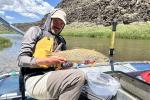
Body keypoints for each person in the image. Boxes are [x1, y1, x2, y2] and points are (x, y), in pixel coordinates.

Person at [18, 8, 85, 100]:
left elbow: (64, 65)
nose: (59, 25)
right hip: (34, 78)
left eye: (62, 23)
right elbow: (21, 60)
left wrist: (80, 61)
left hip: (52, 76)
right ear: (50, 19)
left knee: (83, 75)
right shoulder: (35, 31)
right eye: (56, 21)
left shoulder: (61, 41)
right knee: (78, 76)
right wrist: (47, 61)